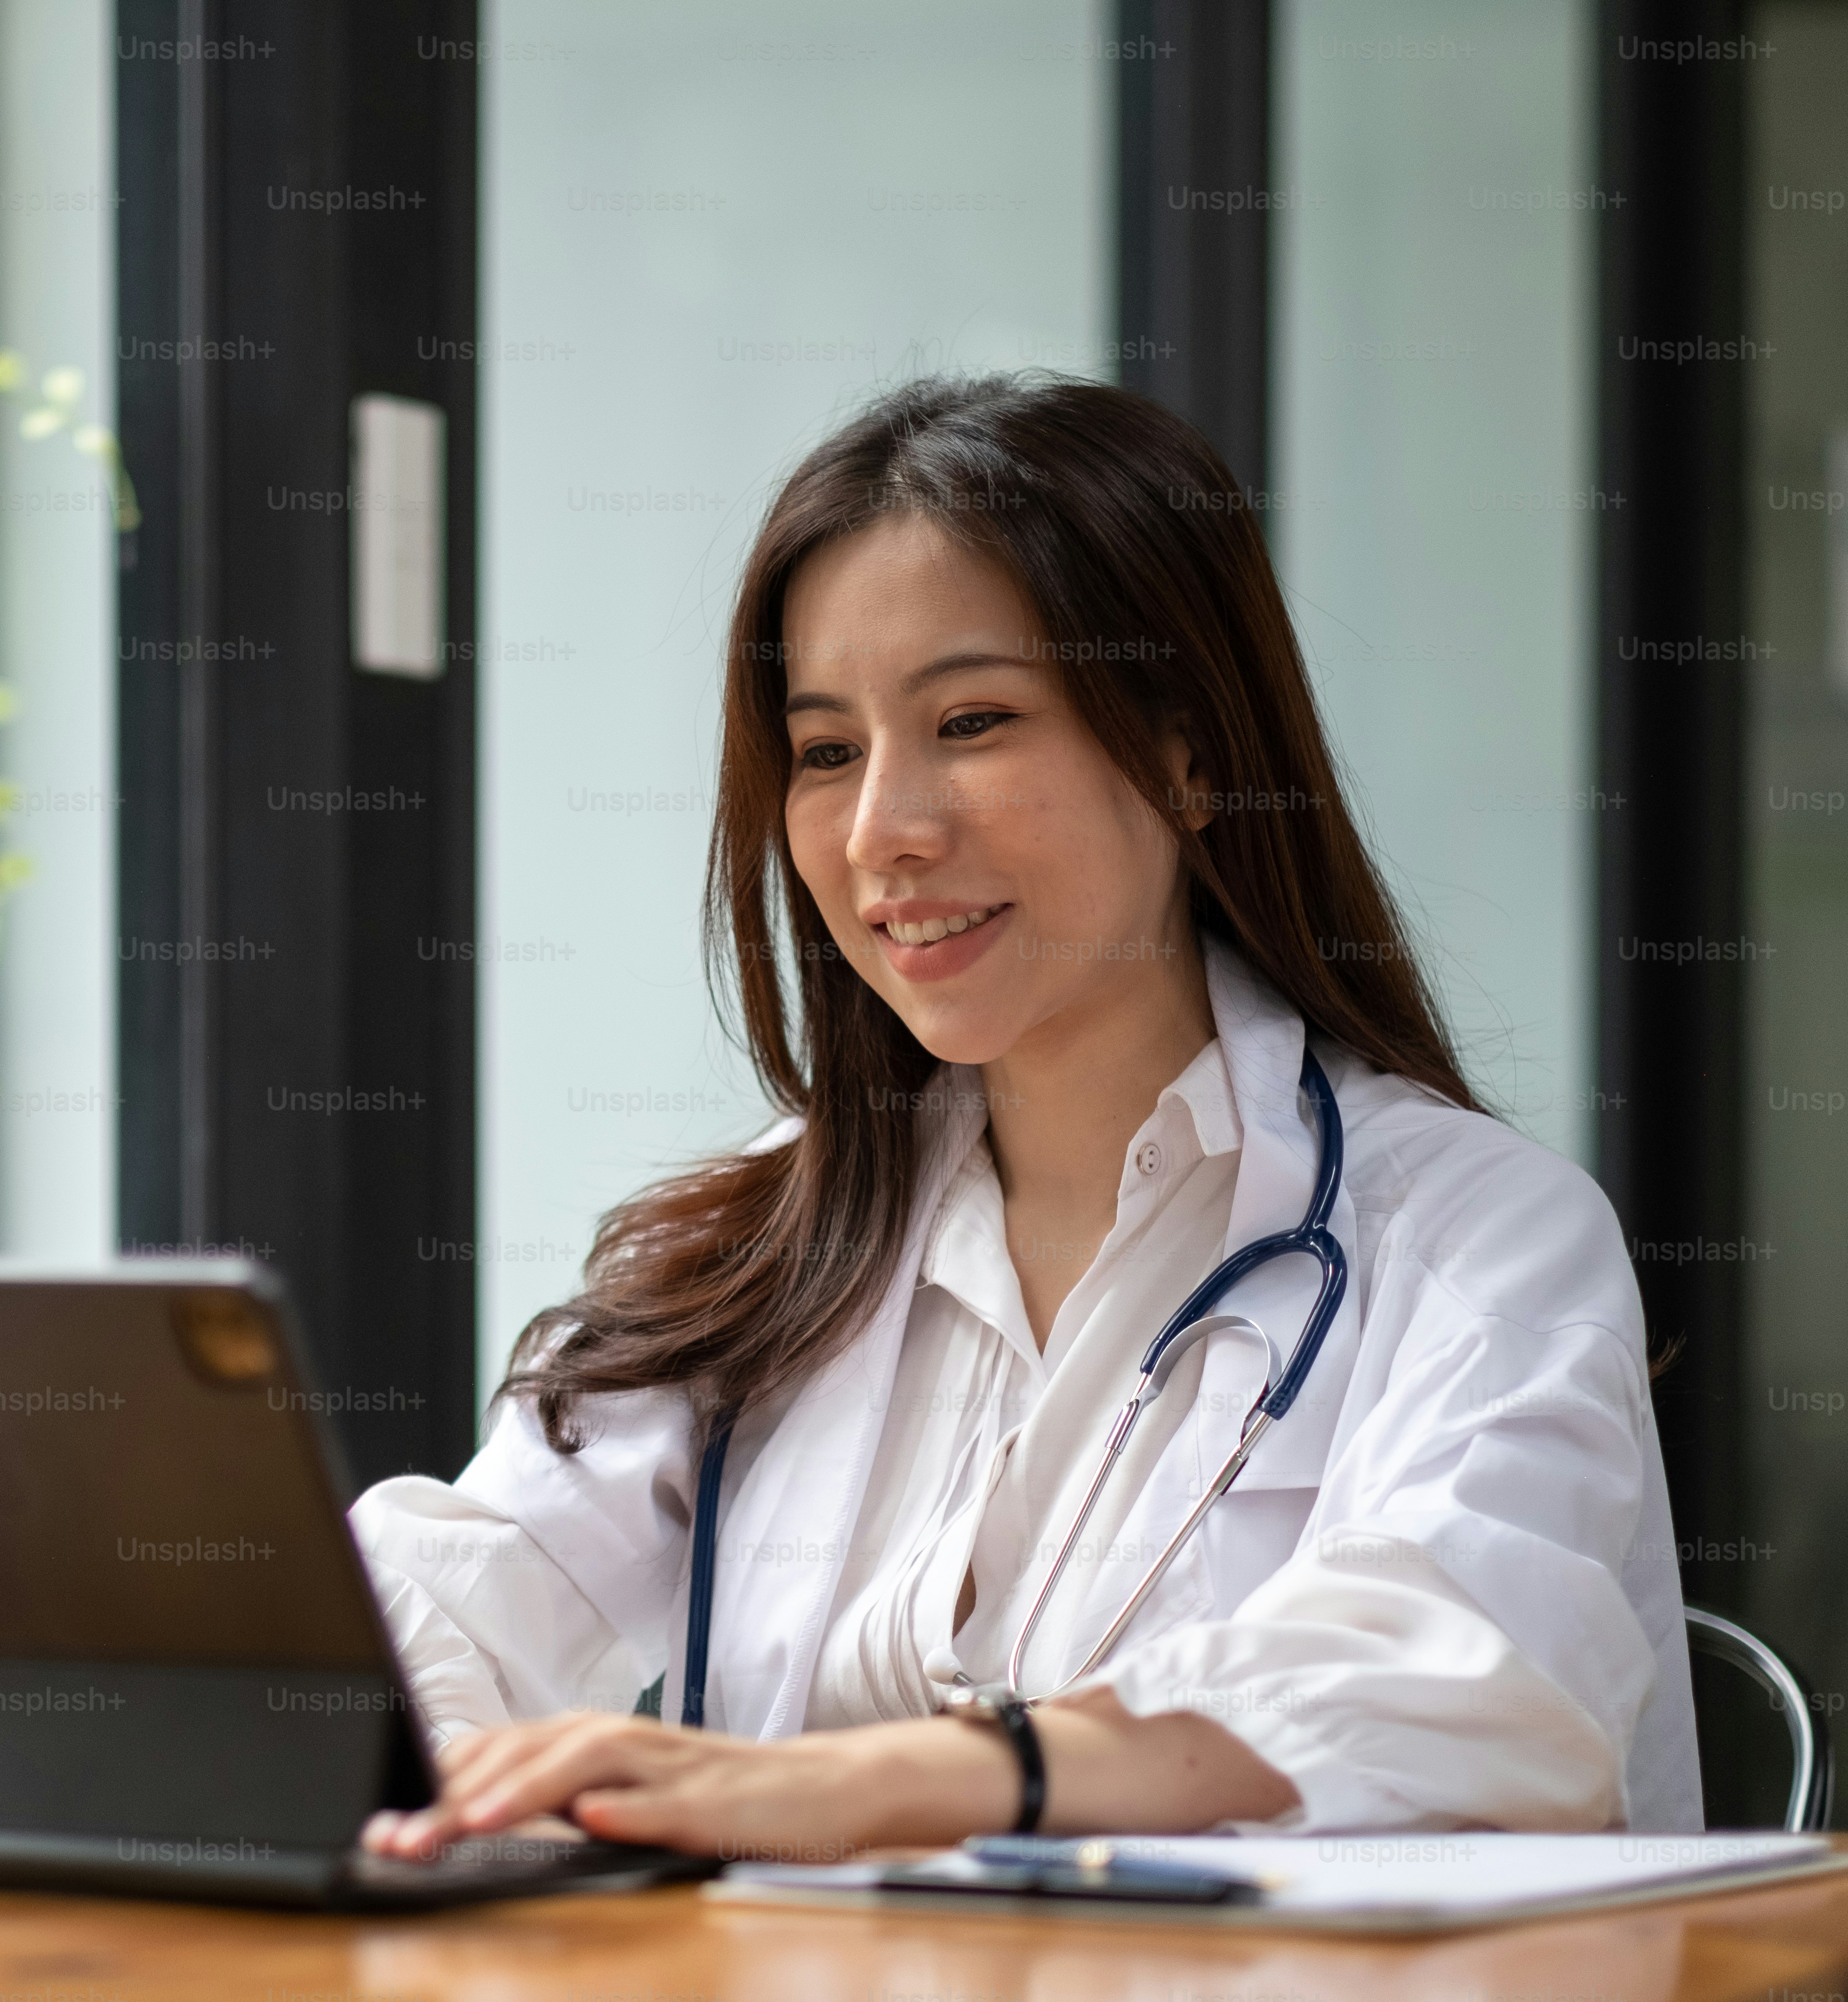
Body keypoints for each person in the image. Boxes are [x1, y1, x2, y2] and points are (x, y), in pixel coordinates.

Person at [355, 375, 1695, 1862]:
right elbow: (445, 1595)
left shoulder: (1476, 1236)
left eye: (972, 721)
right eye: (826, 751)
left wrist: (884, 1786)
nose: (884, 833)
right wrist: (466, 1786)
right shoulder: (766, 1246)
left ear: (1191, 756)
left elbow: (1468, 1680)